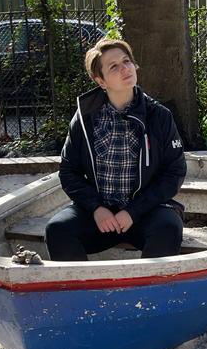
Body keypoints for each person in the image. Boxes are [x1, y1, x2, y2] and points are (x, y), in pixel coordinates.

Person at [45, 38, 187, 262]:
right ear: (100, 80)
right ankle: (84, 293)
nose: (125, 69)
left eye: (127, 61)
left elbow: (174, 172)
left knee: (168, 229)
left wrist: (132, 212)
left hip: (145, 212)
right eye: (114, 66)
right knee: (57, 229)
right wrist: (96, 208)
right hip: (100, 215)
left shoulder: (159, 116)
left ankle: (145, 295)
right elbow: (68, 171)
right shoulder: (85, 119)